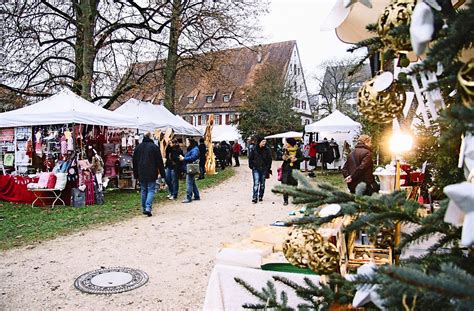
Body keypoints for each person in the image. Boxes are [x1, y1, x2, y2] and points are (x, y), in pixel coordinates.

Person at [132, 132, 165, 217]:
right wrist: (162, 174)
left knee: (143, 190)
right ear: (151, 137)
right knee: (151, 189)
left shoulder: (138, 147)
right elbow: (159, 162)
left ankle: (144, 207)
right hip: (151, 171)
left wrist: (136, 174)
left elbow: (134, 162)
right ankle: (148, 207)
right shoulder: (154, 147)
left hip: (141, 172)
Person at [248, 136, 272, 203]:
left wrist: (268, 168)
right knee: (256, 183)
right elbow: (250, 158)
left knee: (262, 184)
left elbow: (269, 160)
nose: (264, 143)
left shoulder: (267, 150)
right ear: (259, 142)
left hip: (264, 169)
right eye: (263, 141)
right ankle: (255, 197)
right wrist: (251, 166)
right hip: (255, 168)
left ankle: (261, 195)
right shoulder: (254, 149)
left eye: (265, 141)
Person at [281, 138, 303, 205]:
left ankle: (295, 199)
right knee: (285, 184)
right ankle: (285, 200)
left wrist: (296, 159)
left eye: (287, 143)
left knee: (294, 184)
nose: (286, 144)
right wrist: (284, 157)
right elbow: (282, 157)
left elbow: (302, 158)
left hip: (294, 169)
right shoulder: (285, 149)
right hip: (286, 169)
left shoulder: (297, 150)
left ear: (291, 143)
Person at [180, 138, 201, 203]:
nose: (186, 143)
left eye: (187, 142)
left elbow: (193, 157)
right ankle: (197, 196)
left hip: (191, 167)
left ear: (190, 142)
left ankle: (188, 197)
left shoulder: (195, 149)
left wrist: (184, 158)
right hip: (190, 167)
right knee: (193, 182)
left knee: (188, 182)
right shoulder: (192, 149)